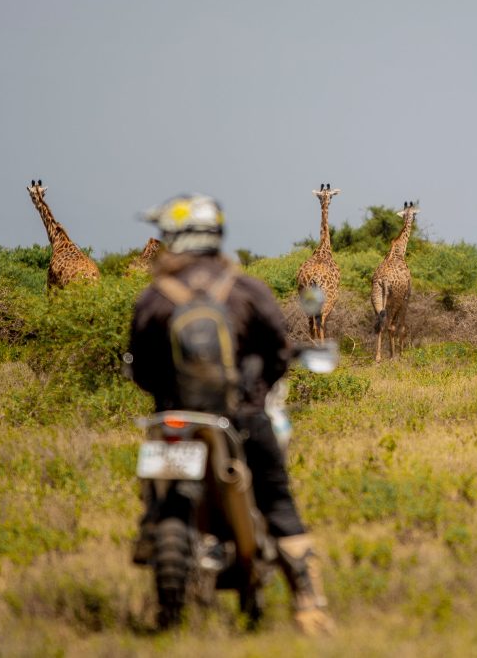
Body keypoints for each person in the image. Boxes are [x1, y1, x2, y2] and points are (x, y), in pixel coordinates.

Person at [127, 193, 334, 635]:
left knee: (155, 488)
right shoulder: (244, 288)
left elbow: (141, 370)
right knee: (277, 500)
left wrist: (167, 396)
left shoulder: (154, 298)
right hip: (239, 418)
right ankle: (308, 602)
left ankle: (151, 530)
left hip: (172, 420)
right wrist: (256, 391)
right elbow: (278, 355)